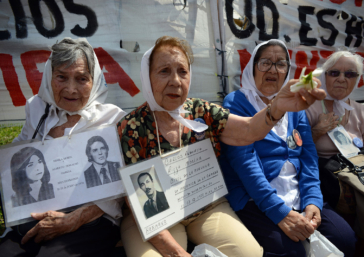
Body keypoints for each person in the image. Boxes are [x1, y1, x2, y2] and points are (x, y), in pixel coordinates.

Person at [117, 36, 326, 257]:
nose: (175, 81)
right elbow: (141, 204)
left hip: (205, 207)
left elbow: (247, 131)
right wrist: (178, 253)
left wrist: (277, 108)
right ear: (147, 77)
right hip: (157, 220)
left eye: (182, 71)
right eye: (164, 71)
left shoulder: (201, 111)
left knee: (250, 253)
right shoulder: (131, 126)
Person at [219, 39, 357, 256]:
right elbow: (244, 163)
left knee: (344, 238)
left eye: (280, 64)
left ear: (287, 71)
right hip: (256, 198)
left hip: (298, 193)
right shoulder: (236, 102)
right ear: (252, 67)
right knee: (291, 252)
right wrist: (280, 213)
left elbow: (308, 156)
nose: (273, 69)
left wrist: (313, 200)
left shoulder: (295, 104)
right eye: (265, 62)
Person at [0, 38, 126, 257]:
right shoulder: (38, 111)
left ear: (94, 80)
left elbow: (123, 186)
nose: (71, 89)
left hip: (92, 219)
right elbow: (18, 154)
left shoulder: (112, 119)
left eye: (81, 79)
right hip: (37, 212)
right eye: (61, 77)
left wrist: (73, 219)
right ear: (50, 77)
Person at [306, 51, 364, 160]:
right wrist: (317, 131)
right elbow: (294, 149)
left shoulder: (361, 110)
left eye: (349, 74)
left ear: (356, 80)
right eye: (334, 73)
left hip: (356, 171)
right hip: (322, 172)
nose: (341, 79)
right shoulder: (308, 106)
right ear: (324, 76)